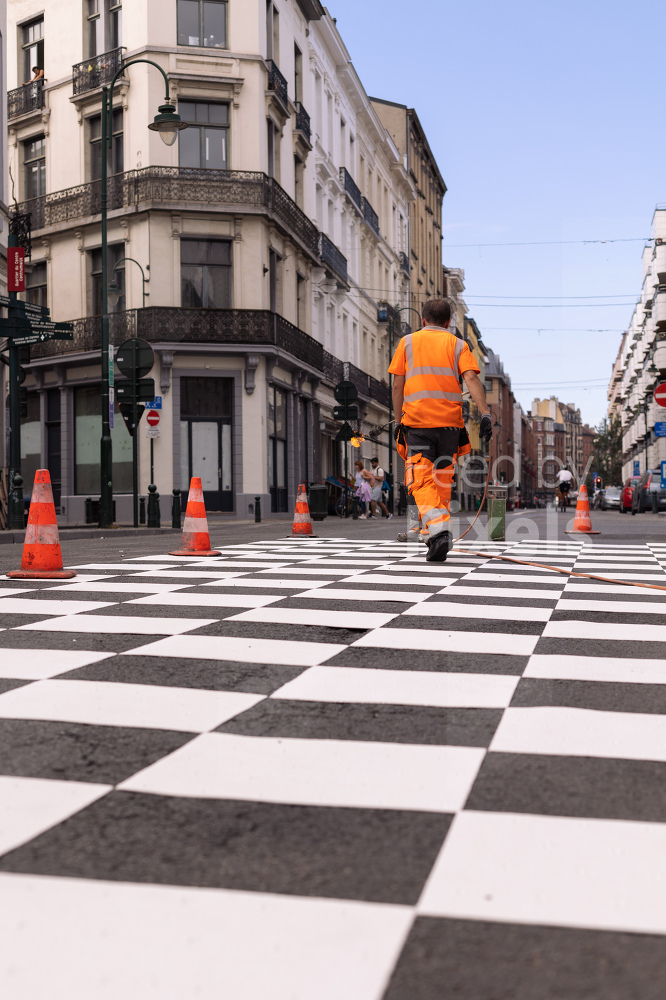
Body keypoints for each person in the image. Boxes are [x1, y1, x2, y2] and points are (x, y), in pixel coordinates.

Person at [389, 298, 492, 562]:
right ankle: (433, 537)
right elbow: (471, 378)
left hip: (419, 422)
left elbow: (397, 386)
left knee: (421, 479)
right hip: (450, 425)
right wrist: (485, 413)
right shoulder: (458, 344)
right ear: (448, 322)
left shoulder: (407, 343)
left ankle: (439, 532)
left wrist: (398, 418)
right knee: (441, 481)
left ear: (423, 320)